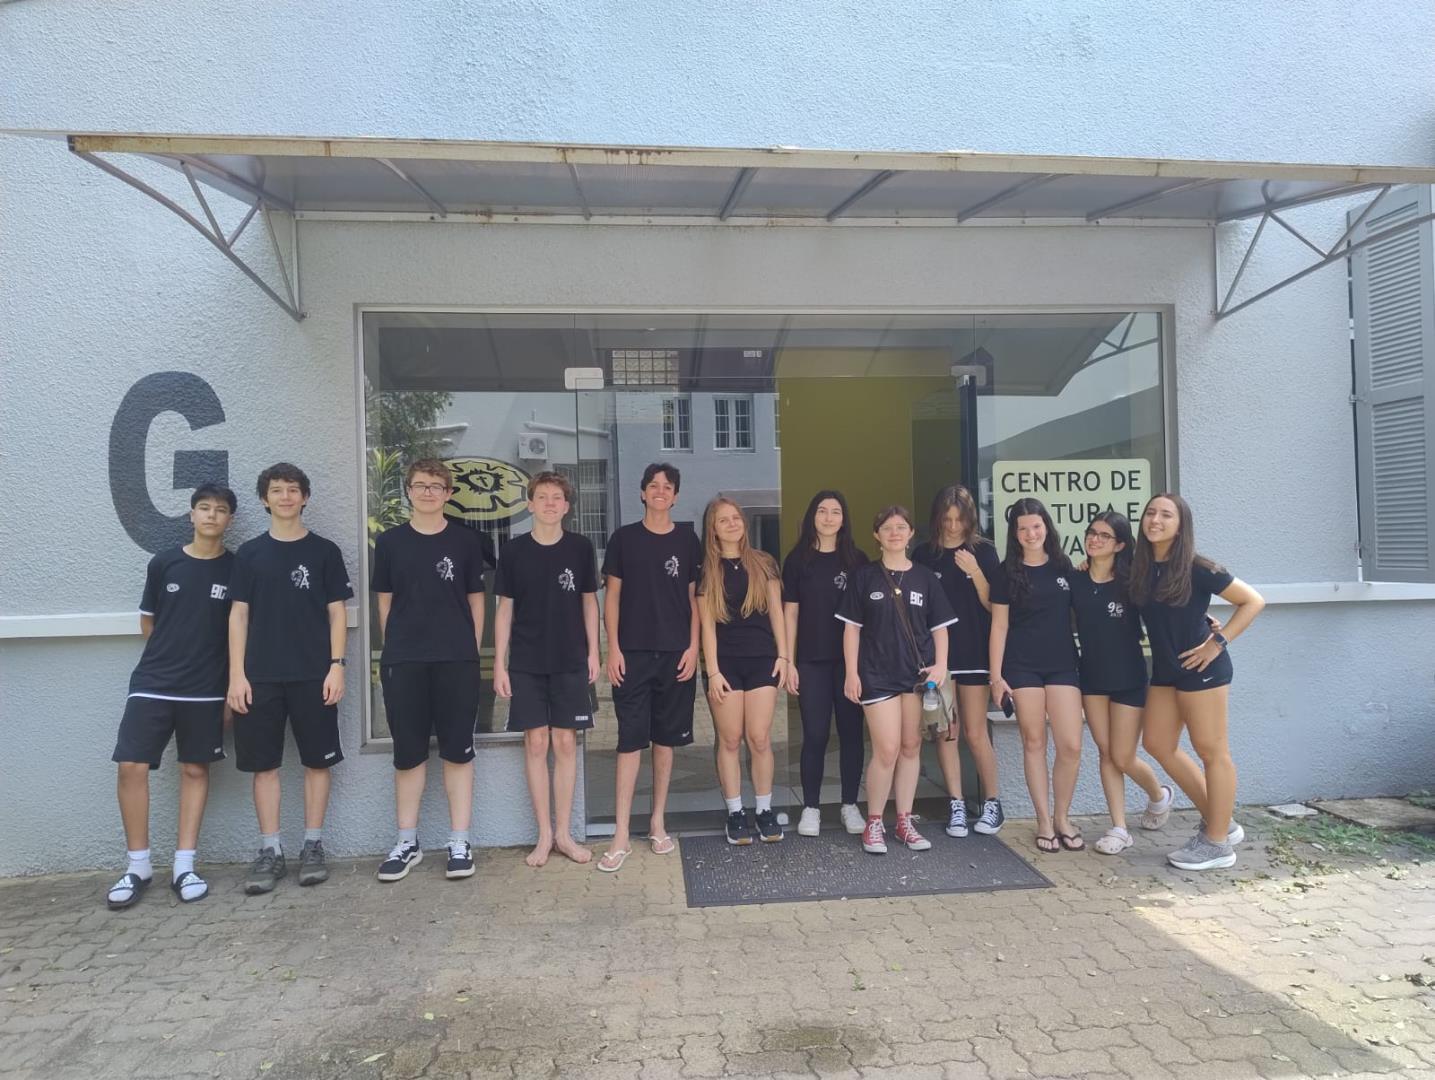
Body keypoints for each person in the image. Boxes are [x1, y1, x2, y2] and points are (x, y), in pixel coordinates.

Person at [106, 484, 238, 909]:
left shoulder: (237, 569)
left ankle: (184, 865)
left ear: (230, 520)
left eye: (220, 510)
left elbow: (241, 631)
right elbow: (149, 623)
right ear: (192, 514)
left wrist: (230, 688)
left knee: (195, 770)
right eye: (204, 508)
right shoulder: (164, 563)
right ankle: (138, 866)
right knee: (131, 765)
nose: (211, 515)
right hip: (153, 682)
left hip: (207, 689)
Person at [227, 463, 353, 894]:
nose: (285, 497)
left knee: (318, 762)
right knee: (264, 766)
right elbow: (238, 616)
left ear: (305, 497)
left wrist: (337, 665)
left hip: (314, 676)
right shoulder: (249, 554)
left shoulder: (324, 552)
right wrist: (237, 675)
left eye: (293, 490)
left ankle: (313, 846)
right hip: (259, 677)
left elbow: (337, 614)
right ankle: (271, 850)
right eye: (277, 490)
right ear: (264, 499)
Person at [1131, 493, 1265, 871]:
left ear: (1180, 525)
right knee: (1157, 743)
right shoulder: (1141, 567)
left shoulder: (1198, 567)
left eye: (1166, 515)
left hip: (1202, 668)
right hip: (1167, 670)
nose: (1155, 520)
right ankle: (1221, 820)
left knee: (1212, 751)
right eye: (1151, 512)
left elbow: (1253, 601)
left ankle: (1216, 844)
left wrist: (1216, 642)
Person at [370, 459, 487, 883]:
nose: (428, 492)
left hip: (456, 660)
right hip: (405, 661)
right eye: (420, 485)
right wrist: (398, 647)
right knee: (409, 752)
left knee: (458, 751)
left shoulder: (466, 542)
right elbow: (385, 603)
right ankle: (407, 842)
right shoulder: (390, 543)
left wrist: (469, 650)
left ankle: (460, 841)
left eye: (436, 486)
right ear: (408, 491)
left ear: (449, 494)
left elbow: (476, 599)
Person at [597, 463, 702, 872]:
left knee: (665, 741)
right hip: (633, 654)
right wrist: (613, 649)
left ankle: (658, 822)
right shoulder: (624, 539)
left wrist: (693, 648)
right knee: (629, 741)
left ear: (675, 496)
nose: (660, 491)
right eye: (653, 486)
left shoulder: (687, 540)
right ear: (642, 493)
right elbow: (612, 598)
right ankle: (621, 833)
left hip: (676, 654)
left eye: (667, 487)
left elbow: (694, 599)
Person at [494, 471, 599, 867]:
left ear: (566, 506)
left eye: (557, 497)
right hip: (526, 662)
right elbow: (505, 609)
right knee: (536, 744)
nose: (550, 503)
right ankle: (543, 835)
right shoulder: (514, 552)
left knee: (566, 743)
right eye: (542, 496)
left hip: (570, 659)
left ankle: (564, 834)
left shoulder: (580, 548)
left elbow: (589, 602)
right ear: (530, 504)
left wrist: (594, 653)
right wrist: (500, 663)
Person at [838, 506, 956, 855]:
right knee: (886, 749)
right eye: (887, 528)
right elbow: (851, 629)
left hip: (916, 677)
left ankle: (904, 821)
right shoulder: (864, 577)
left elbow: (940, 628)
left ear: (910, 533)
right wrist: (851, 672)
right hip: (876, 674)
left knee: (910, 747)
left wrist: (941, 666)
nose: (894, 533)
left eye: (901, 527)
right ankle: (874, 822)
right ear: (877, 535)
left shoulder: (925, 578)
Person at [1071, 511, 1173, 855]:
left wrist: (1205, 622)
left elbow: (1166, 614)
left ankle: (1159, 795)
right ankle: (1119, 828)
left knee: (1123, 756)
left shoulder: (1134, 583)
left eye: (1104, 535)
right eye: (1092, 532)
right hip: (1092, 678)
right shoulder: (1076, 580)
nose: (1095, 539)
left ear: (1119, 545)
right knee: (1106, 753)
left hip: (1129, 678)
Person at [988, 498, 1083, 855]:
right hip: (1021, 665)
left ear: (1047, 527)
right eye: (1023, 528)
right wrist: (996, 677)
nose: (1031, 534)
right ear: (1015, 534)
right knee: (1034, 742)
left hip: (1062, 664)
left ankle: (1062, 818)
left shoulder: (1064, 567)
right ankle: (1043, 821)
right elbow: (999, 626)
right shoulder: (1005, 573)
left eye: (1036, 526)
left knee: (1071, 745)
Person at [913, 484, 1005, 838]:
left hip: (975, 653)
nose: (953, 526)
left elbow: (994, 607)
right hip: (939, 659)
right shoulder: (924, 554)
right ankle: (956, 803)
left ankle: (993, 802)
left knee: (975, 732)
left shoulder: (984, 551)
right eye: (947, 519)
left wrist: (976, 572)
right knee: (946, 732)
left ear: (970, 520)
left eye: (959, 520)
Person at [699, 497, 789, 844]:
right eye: (723, 520)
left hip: (763, 660)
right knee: (730, 739)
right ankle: (735, 813)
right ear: (713, 528)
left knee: (759, 737)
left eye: (736, 518)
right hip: (726, 666)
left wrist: (784, 657)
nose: (732, 524)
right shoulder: (706, 571)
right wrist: (713, 672)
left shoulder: (764, 563)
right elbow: (707, 627)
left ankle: (764, 810)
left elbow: (777, 613)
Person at [782, 491, 868, 837]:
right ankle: (811, 808)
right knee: (815, 734)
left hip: (850, 664)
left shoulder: (858, 560)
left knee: (851, 734)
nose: (828, 517)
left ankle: (849, 805)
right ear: (812, 516)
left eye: (835, 512)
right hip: (811, 662)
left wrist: (861, 667)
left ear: (844, 519)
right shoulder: (797, 560)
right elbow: (790, 613)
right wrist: (789, 661)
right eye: (822, 511)